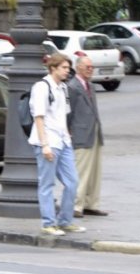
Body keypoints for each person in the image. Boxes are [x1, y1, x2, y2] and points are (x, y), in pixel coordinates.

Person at [28, 52, 84, 236]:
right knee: (47, 184)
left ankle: (65, 221)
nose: (67, 71)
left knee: (72, 182)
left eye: (68, 68)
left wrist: (67, 136)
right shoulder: (42, 87)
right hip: (48, 141)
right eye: (64, 68)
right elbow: (39, 117)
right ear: (53, 68)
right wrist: (44, 145)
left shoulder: (63, 88)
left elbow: (62, 114)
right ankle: (48, 223)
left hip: (63, 140)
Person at [67, 56, 108, 218]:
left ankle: (91, 204)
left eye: (92, 67)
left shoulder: (90, 86)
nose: (90, 70)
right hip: (80, 134)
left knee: (94, 172)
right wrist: (68, 131)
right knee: (81, 171)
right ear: (78, 67)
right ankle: (76, 205)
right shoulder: (72, 86)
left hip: (94, 132)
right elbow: (68, 112)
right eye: (87, 67)